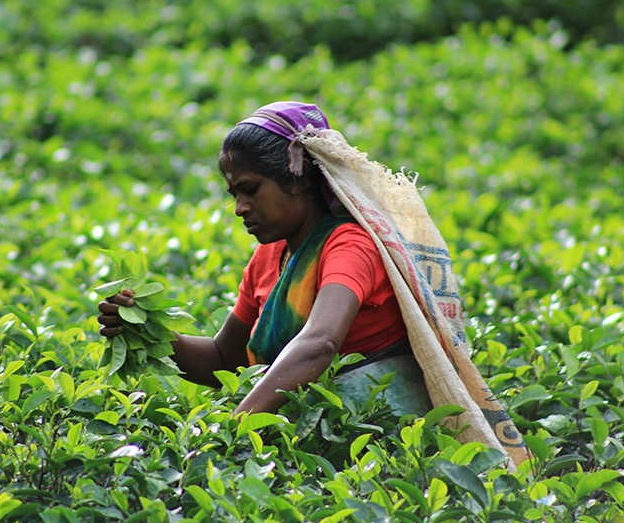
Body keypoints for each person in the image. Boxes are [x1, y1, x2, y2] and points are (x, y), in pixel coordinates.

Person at [97, 101, 431, 417]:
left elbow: (320, 342)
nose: (240, 207)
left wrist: (237, 424)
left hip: (378, 432)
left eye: (251, 189)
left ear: (299, 178)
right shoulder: (269, 256)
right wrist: (147, 328)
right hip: (304, 431)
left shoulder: (350, 246)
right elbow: (224, 358)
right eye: (234, 195)